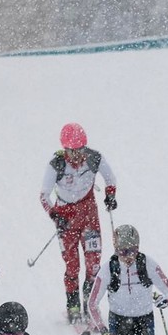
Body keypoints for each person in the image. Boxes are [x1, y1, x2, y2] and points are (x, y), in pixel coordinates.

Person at [39, 122, 118, 324]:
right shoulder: (56, 164)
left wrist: (110, 196)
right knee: (72, 266)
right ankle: (73, 304)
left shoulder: (93, 158)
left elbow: (110, 178)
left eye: (80, 150)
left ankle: (89, 303)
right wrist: (55, 215)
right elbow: (44, 196)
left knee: (93, 265)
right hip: (66, 219)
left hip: (88, 214)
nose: (77, 156)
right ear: (65, 149)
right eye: (72, 152)